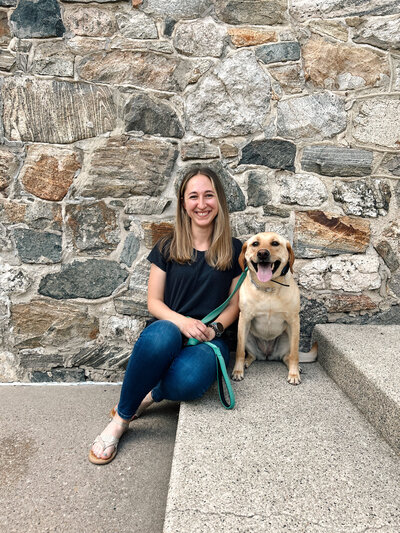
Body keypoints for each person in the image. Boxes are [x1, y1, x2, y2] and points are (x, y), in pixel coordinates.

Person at [89, 167, 242, 465]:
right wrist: (182, 322)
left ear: (219, 200)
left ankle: (152, 392)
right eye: (193, 196)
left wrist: (215, 329)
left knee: (189, 380)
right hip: (170, 330)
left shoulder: (234, 249)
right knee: (162, 334)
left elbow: (235, 305)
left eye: (209, 195)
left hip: (209, 339)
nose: (202, 204)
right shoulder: (167, 246)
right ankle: (120, 420)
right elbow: (154, 303)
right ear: (184, 203)